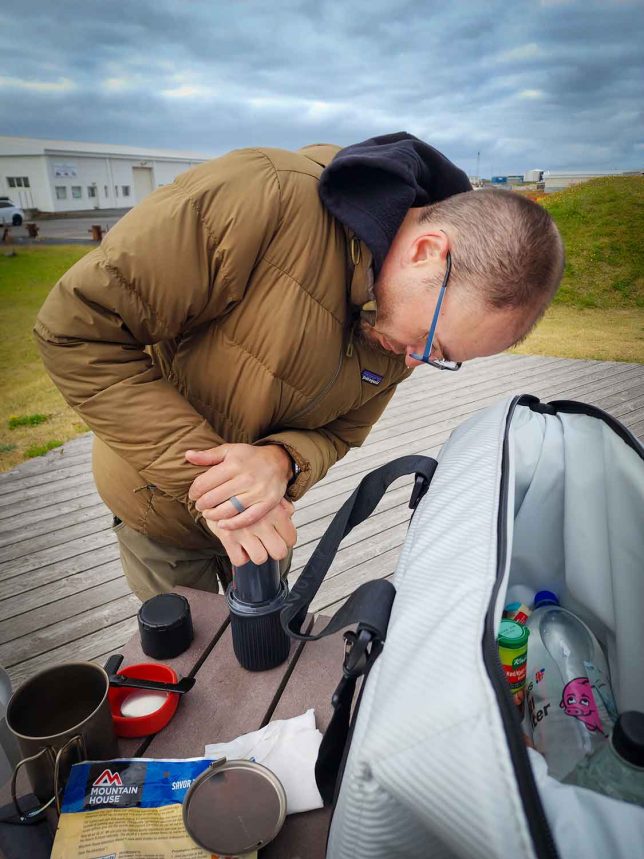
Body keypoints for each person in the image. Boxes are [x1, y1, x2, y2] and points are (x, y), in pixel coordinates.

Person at [34, 133, 564, 602]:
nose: (417, 360)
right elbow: (76, 329)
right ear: (428, 251)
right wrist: (228, 492)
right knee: (183, 670)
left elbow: (342, 432)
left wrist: (282, 462)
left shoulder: (403, 329)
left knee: (264, 661)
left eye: (442, 360)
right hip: (158, 514)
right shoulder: (261, 197)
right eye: (433, 342)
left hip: (268, 522)